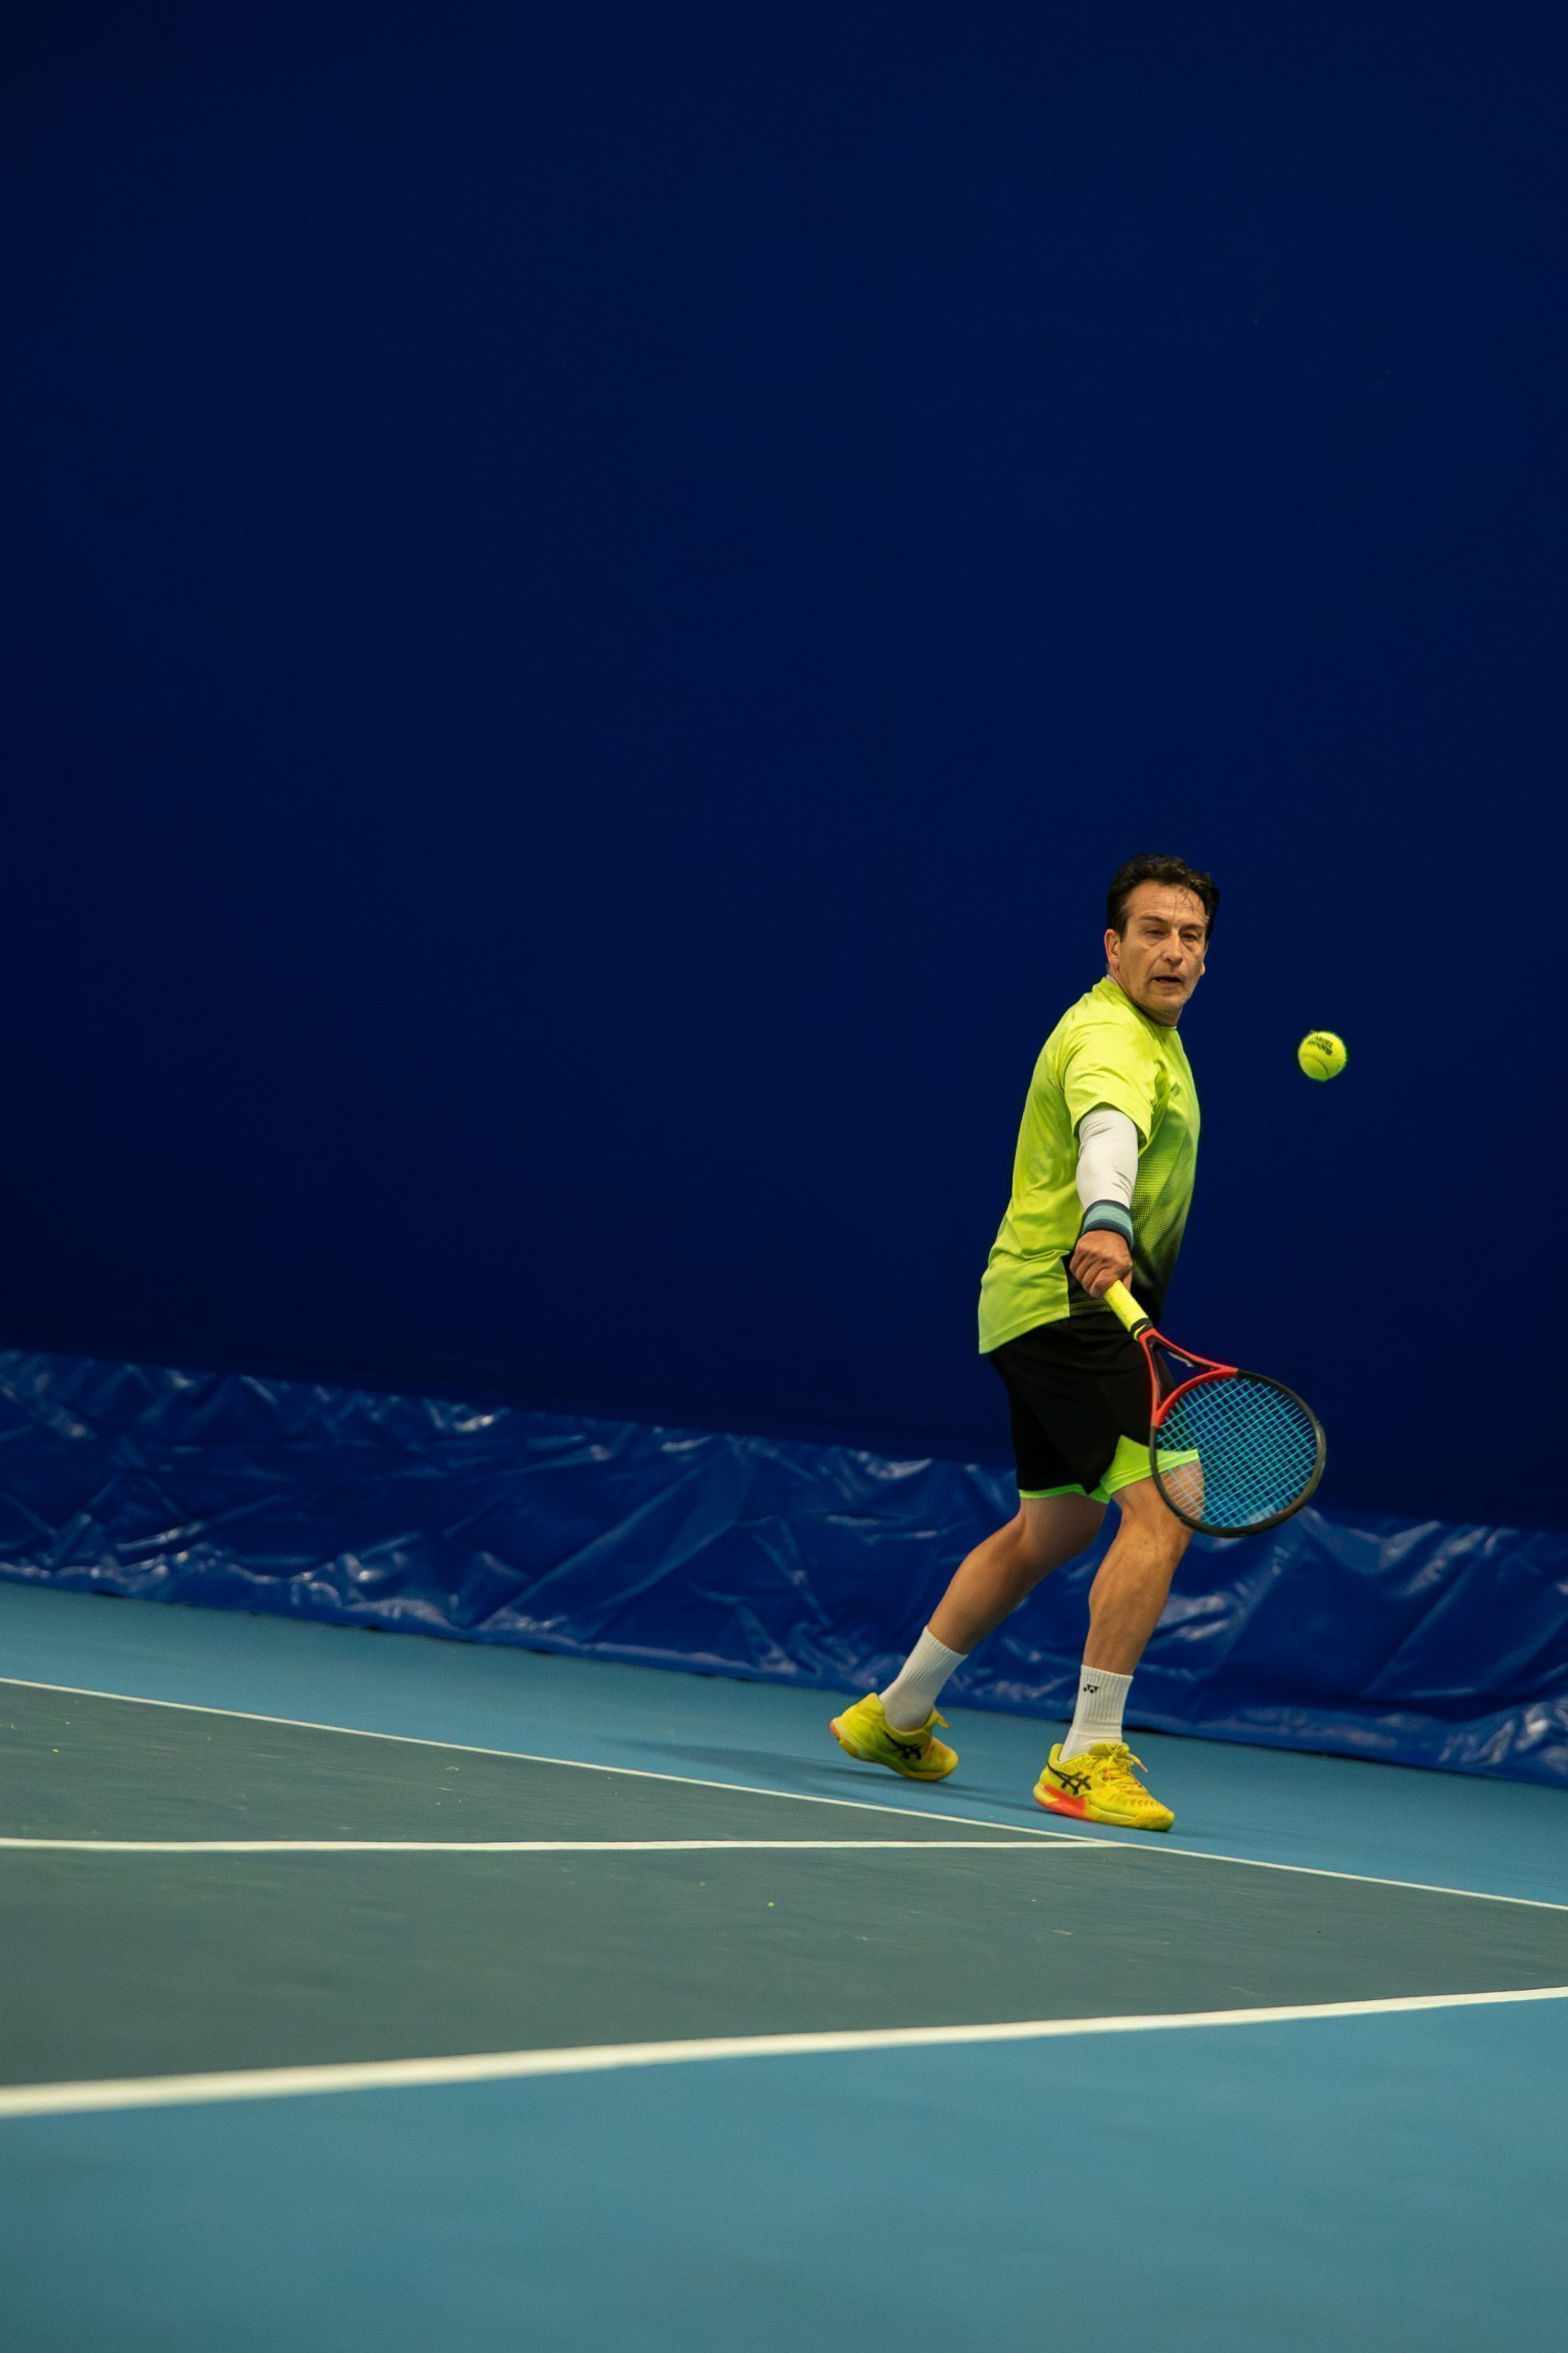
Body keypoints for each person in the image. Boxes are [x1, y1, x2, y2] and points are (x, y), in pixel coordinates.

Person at [831, 851, 1214, 1831]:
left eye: (1190, 935)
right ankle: (1086, 1754)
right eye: (1153, 932)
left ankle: (896, 1715)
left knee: (1059, 1527)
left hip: (1031, 1305)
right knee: (1167, 1506)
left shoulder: (1151, 1037)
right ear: (1112, 946)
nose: (1173, 951)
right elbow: (1107, 1135)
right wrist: (1107, 1220)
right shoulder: (1112, 1040)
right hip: (1073, 1300)